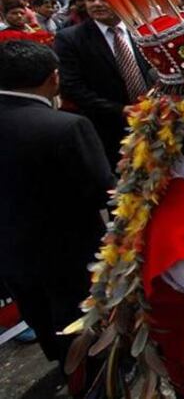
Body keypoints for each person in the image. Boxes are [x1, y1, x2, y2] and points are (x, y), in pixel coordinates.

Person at [0, 41, 113, 390]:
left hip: (13, 254)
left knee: (42, 318)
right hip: (71, 256)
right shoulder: (66, 127)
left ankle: (68, 372)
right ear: (53, 78)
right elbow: (103, 191)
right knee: (82, 333)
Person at [53, 0, 152, 169]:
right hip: (106, 129)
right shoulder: (70, 38)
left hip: (152, 123)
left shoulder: (143, 30)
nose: (96, 4)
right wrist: (121, 110)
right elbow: (72, 87)